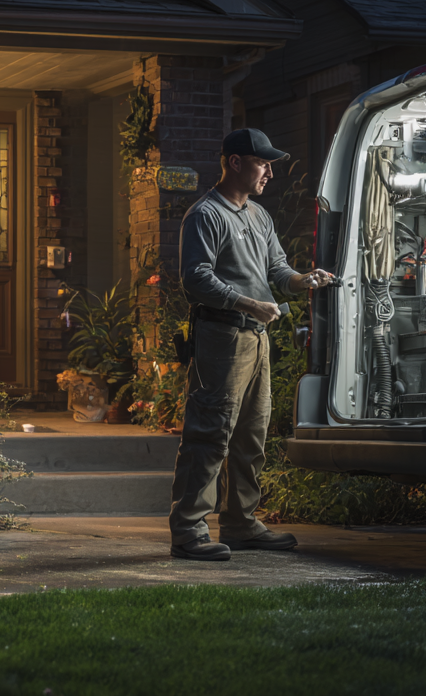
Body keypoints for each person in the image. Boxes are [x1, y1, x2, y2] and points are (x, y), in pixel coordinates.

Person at [169, 128, 335, 561]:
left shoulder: (259, 216)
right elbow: (195, 278)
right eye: (263, 163)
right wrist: (248, 303)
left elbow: (277, 268)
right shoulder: (206, 215)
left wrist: (303, 280)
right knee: (210, 433)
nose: (270, 172)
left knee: (250, 435)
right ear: (236, 162)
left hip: (255, 337)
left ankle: (241, 524)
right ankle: (188, 530)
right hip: (220, 336)